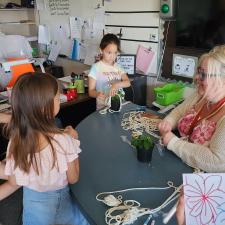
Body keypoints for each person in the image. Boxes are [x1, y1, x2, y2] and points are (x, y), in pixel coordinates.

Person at [0, 72, 90, 225]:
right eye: (57, 98)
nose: (59, 100)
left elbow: (14, 181)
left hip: (32, 205)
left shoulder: (15, 141)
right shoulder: (64, 141)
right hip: (59, 203)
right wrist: (74, 141)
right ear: (45, 108)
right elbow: (73, 178)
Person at [158, 45, 225, 172]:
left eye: (203, 74)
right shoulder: (201, 95)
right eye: (198, 71)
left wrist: (174, 143)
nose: (196, 77)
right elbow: (178, 112)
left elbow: (218, 161)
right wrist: (169, 122)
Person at [88, 33, 131, 110]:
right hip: (103, 108)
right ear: (101, 50)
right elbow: (91, 91)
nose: (113, 56)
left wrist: (116, 85)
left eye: (115, 53)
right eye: (109, 52)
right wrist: (97, 94)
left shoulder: (118, 67)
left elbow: (127, 82)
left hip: (118, 105)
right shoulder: (96, 67)